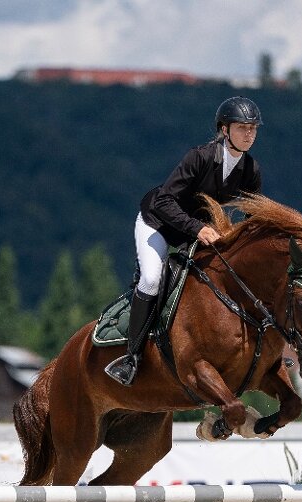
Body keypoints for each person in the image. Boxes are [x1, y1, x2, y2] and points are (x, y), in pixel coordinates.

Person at [105, 96, 264, 385]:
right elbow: (164, 201)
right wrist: (197, 228)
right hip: (158, 224)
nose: (249, 134)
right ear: (224, 130)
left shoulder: (250, 170)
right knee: (152, 280)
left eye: (253, 128)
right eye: (242, 128)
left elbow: (250, 215)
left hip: (198, 234)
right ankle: (131, 357)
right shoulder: (200, 157)